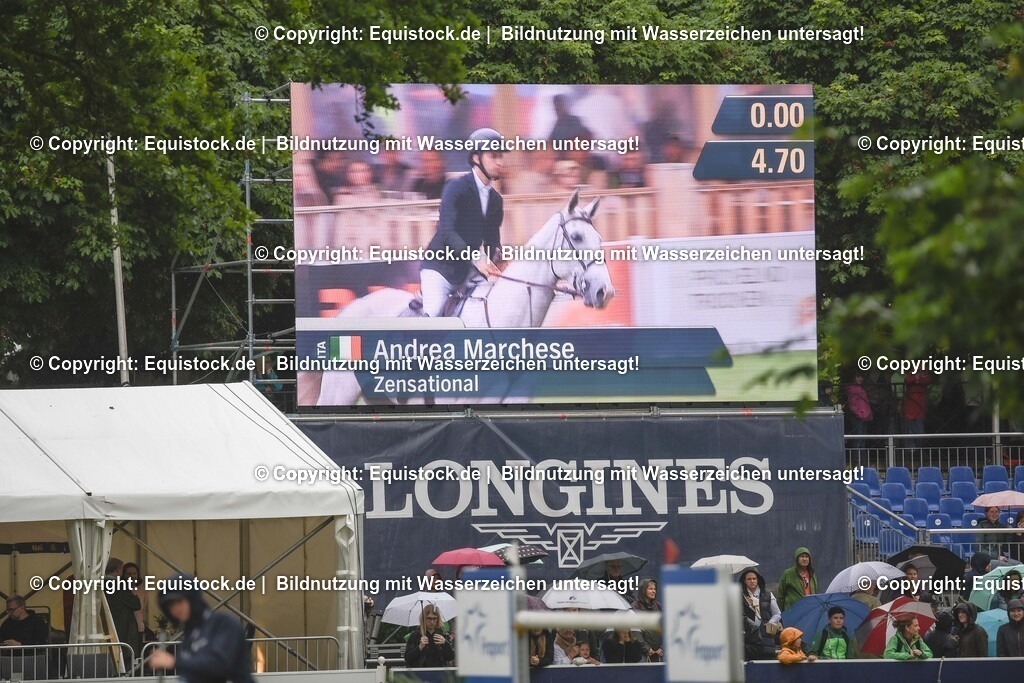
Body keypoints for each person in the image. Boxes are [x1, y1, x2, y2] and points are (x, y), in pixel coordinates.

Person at [418, 127, 504, 318]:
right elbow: (447, 232)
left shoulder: (496, 200)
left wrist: (495, 261)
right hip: (440, 270)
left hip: (468, 273)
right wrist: (477, 259)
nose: (500, 162)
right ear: (476, 158)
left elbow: (492, 241)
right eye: (493, 156)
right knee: (433, 313)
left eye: (501, 157)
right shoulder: (455, 187)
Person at [146, 573, 254, 683]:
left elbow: (219, 665)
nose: (176, 608)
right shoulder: (190, 633)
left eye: (179, 601)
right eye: (170, 605)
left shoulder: (223, 623)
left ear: (192, 598)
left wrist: (174, 662)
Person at [739, 568, 782, 660]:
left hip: (766, 635)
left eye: (754, 578)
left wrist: (771, 622)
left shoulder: (768, 595)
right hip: (749, 637)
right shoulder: (739, 596)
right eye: (749, 579)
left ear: (758, 579)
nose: (752, 581)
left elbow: (777, 613)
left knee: (767, 660)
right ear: (744, 581)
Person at [104, 557, 142, 663]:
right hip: (123, 627)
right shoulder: (120, 585)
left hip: (107, 625)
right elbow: (136, 604)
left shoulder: (100, 584)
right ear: (118, 569)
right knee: (125, 659)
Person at [403, 603, 453, 668]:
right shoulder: (415, 635)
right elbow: (408, 658)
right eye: (429, 618)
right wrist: (419, 647)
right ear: (423, 618)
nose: (432, 622)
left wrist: (445, 644)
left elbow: (451, 656)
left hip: (441, 673)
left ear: (438, 619)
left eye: (434, 618)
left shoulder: (443, 635)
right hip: (420, 673)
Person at [631, 578, 663, 662]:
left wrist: (662, 647)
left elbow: (665, 627)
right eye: (650, 589)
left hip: (659, 653)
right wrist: (647, 649)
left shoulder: (658, 606)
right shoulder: (635, 606)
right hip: (642, 654)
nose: (654, 591)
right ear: (643, 590)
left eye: (655, 589)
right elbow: (635, 631)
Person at [122, 562, 150, 646]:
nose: (132, 576)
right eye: (129, 574)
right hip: (125, 628)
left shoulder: (143, 591)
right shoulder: (121, 590)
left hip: (139, 628)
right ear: (123, 575)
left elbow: (142, 609)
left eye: (134, 573)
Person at [845, 372, 873, 450]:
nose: (860, 379)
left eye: (862, 377)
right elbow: (852, 404)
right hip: (859, 416)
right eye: (858, 376)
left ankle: (862, 458)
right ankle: (857, 458)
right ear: (854, 378)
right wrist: (859, 413)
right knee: (858, 438)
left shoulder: (860, 388)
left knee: (862, 439)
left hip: (864, 415)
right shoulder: (853, 389)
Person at [902, 371, 930, 447]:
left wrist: (917, 379)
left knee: (920, 433)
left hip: (919, 409)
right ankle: (911, 453)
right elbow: (907, 380)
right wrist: (917, 378)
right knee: (909, 433)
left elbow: (927, 380)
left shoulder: (924, 374)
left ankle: (918, 451)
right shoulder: (910, 375)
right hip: (909, 409)